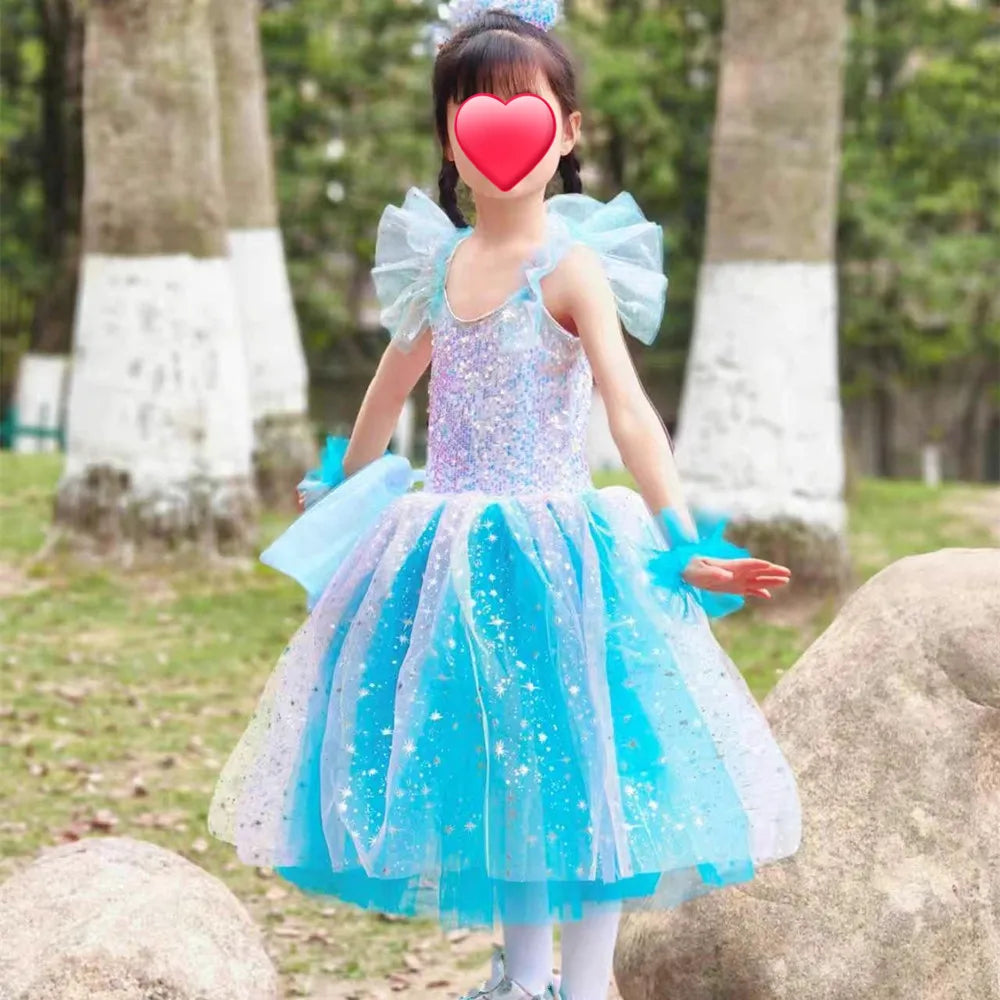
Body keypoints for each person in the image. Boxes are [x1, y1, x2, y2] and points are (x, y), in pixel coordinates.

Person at [207, 3, 802, 998]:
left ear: (567, 133)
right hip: (449, 552)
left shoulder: (570, 270)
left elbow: (626, 408)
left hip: (562, 551)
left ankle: (587, 982)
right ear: (451, 140)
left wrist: (679, 541)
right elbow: (385, 395)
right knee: (506, 767)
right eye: (473, 113)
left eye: (525, 110)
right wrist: (343, 487)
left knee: (591, 761)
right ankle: (525, 979)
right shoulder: (440, 267)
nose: (499, 136)